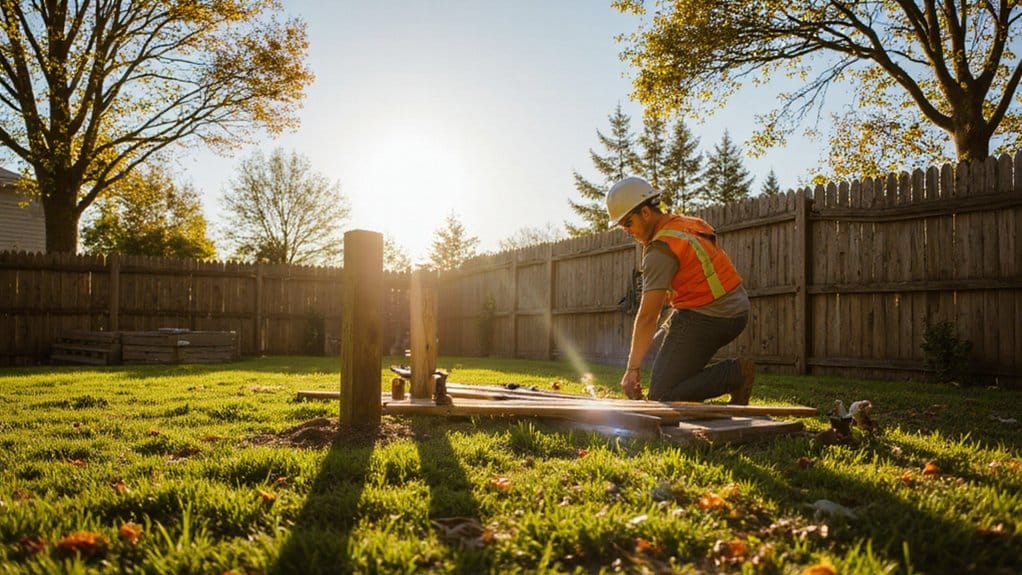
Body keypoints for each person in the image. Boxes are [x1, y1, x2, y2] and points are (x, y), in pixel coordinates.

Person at [606, 176, 755, 403]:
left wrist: (632, 369)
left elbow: (647, 317)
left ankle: (734, 374)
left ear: (645, 213)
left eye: (627, 223)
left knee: (662, 394)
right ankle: (688, 383)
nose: (627, 231)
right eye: (622, 226)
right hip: (735, 308)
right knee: (656, 348)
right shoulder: (685, 224)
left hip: (712, 316)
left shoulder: (660, 249)